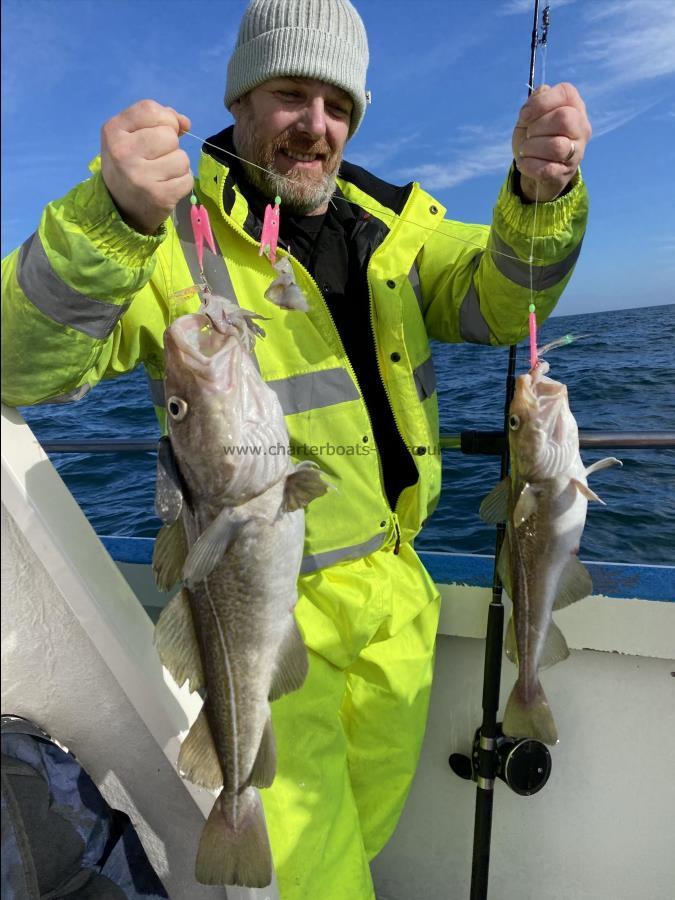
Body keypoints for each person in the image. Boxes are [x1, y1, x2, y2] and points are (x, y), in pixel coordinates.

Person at [1, 0, 591, 897]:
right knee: (313, 869)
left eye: (337, 104)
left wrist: (538, 200)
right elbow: (16, 368)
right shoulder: (162, 233)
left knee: (369, 824)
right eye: (289, 94)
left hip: (399, 593)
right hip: (267, 598)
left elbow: (505, 302)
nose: (315, 125)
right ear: (240, 100)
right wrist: (106, 224)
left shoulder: (393, 226)